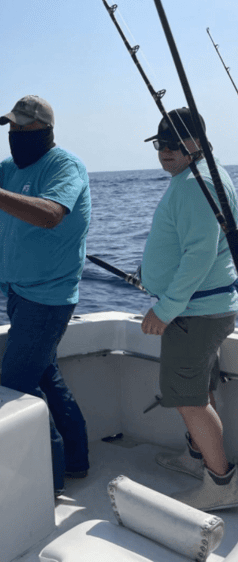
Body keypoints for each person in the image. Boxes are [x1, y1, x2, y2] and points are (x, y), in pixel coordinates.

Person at [0, 96, 91, 496]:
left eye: (24, 128)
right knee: (46, 373)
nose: (16, 135)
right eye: (11, 128)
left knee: (17, 384)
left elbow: (49, 214)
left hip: (48, 297)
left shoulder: (65, 166)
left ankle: (50, 479)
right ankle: (76, 462)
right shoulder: (11, 167)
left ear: (44, 129)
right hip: (18, 292)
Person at [140, 107, 238, 511]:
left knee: (188, 399)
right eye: (160, 144)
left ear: (195, 144)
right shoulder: (203, 174)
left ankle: (221, 484)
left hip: (193, 314)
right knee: (199, 389)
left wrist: (165, 308)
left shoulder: (196, 184)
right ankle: (195, 458)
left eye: (174, 145)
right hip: (204, 309)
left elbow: (198, 255)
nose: (165, 151)